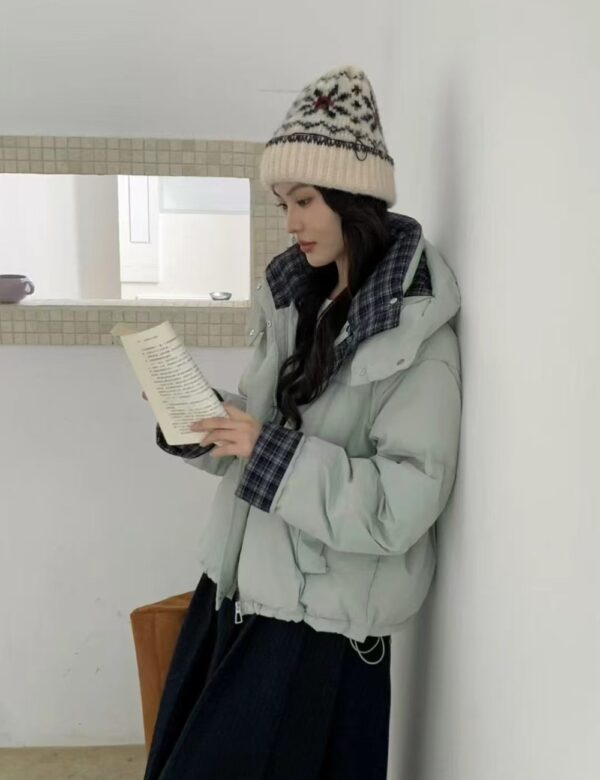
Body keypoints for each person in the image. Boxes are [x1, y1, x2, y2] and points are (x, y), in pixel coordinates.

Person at [142, 64, 462, 780]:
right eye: (284, 202)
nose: (290, 222)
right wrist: (194, 419)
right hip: (233, 596)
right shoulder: (299, 303)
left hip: (317, 632)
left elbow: (401, 505)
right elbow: (258, 444)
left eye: (305, 200)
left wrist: (267, 450)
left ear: (355, 199)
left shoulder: (417, 337)